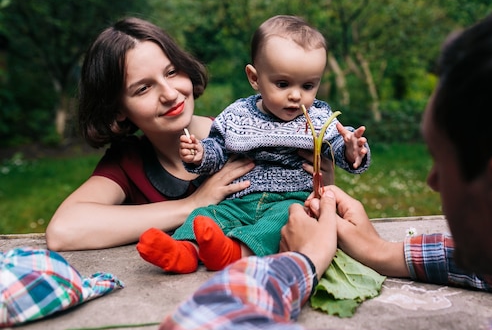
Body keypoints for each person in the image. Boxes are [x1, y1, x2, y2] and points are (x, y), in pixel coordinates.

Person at [156, 0, 492, 330]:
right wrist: (380, 252)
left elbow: (202, 325)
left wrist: (307, 257)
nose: (431, 181)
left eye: (441, 163)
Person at [44, 17, 330, 252]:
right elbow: (63, 231)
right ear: (118, 109)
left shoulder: (246, 134)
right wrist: (191, 205)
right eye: (143, 88)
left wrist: (324, 181)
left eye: (171, 72)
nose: (170, 94)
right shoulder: (128, 162)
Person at [136, 15, 370, 274]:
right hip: (240, 197)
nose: (295, 95)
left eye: (308, 85)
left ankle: (233, 253)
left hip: (292, 198)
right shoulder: (237, 115)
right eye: (282, 84)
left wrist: (350, 150)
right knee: (206, 216)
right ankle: (184, 250)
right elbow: (218, 149)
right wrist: (200, 154)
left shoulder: (317, 116)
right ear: (255, 78)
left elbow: (335, 142)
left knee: (280, 223)